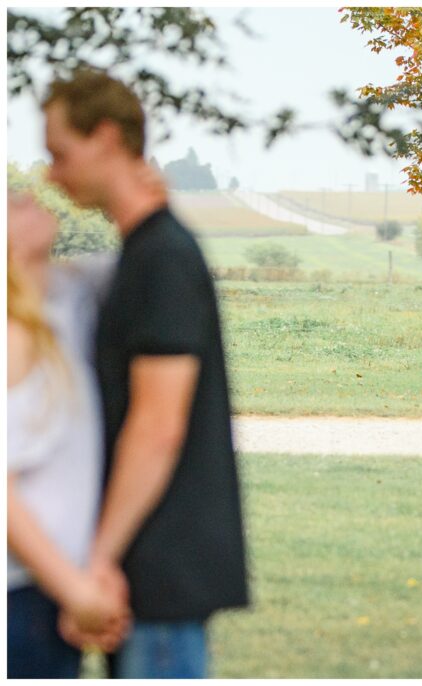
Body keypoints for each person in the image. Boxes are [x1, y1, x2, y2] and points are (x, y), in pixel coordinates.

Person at [42, 68, 250, 679]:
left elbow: (158, 427)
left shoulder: (161, 260)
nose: (52, 172)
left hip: (159, 570)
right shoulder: (143, 253)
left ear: (106, 137)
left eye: (60, 152)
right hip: (145, 564)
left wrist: (97, 561)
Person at [7, 191, 131, 678]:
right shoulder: (12, 337)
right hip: (21, 597)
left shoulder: (61, 298)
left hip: (47, 591)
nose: (26, 197)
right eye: (10, 205)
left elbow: (141, 255)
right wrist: (75, 592)